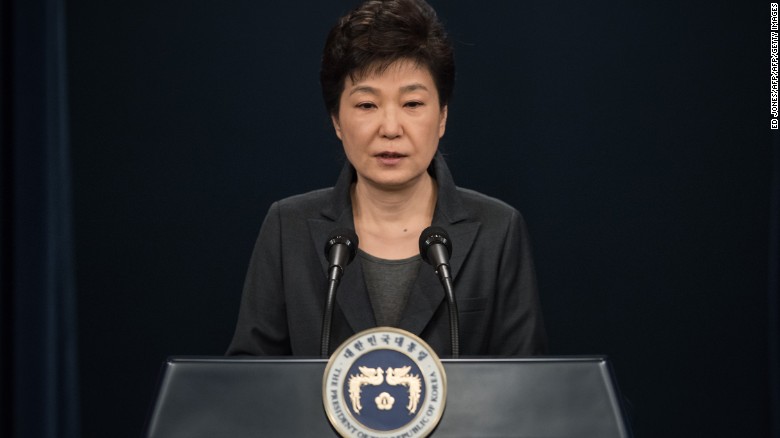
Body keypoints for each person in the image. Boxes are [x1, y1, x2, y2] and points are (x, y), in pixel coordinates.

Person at [227, 0, 546, 357]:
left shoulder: (498, 229)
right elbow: (249, 382)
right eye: (367, 105)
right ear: (336, 120)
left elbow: (525, 386)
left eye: (412, 104)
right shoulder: (289, 227)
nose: (390, 129)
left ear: (442, 117)